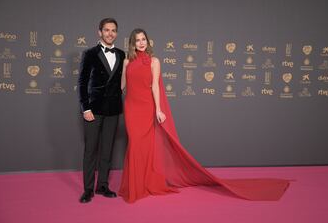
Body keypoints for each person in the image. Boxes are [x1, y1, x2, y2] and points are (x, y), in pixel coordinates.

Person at [119, 28, 290, 203]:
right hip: (132, 108)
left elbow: (155, 86)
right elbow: (122, 86)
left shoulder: (154, 61)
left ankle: (143, 184)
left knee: (146, 147)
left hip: (147, 108)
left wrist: (158, 110)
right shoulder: (126, 62)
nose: (141, 43)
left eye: (144, 39)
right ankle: (135, 186)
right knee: (135, 145)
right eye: (138, 40)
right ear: (132, 43)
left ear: (148, 41)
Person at [78, 18, 125, 203]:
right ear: (100, 32)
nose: (110, 33)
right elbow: (82, 83)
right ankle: (88, 189)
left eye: (113, 30)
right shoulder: (89, 53)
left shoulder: (122, 54)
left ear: (117, 33)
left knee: (107, 150)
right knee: (91, 150)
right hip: (93, 110)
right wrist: (85, 108)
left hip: (113, 110)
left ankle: (103, 185)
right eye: (106, 30)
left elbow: (123, 81)